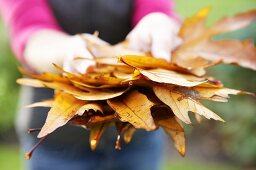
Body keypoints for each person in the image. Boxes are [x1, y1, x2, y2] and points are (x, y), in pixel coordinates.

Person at [0, 0, 181, 170]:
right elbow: (30, 29)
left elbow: (157, 9)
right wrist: (66, 51)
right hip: (58, 140)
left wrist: (158, 22)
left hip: (138, 132)